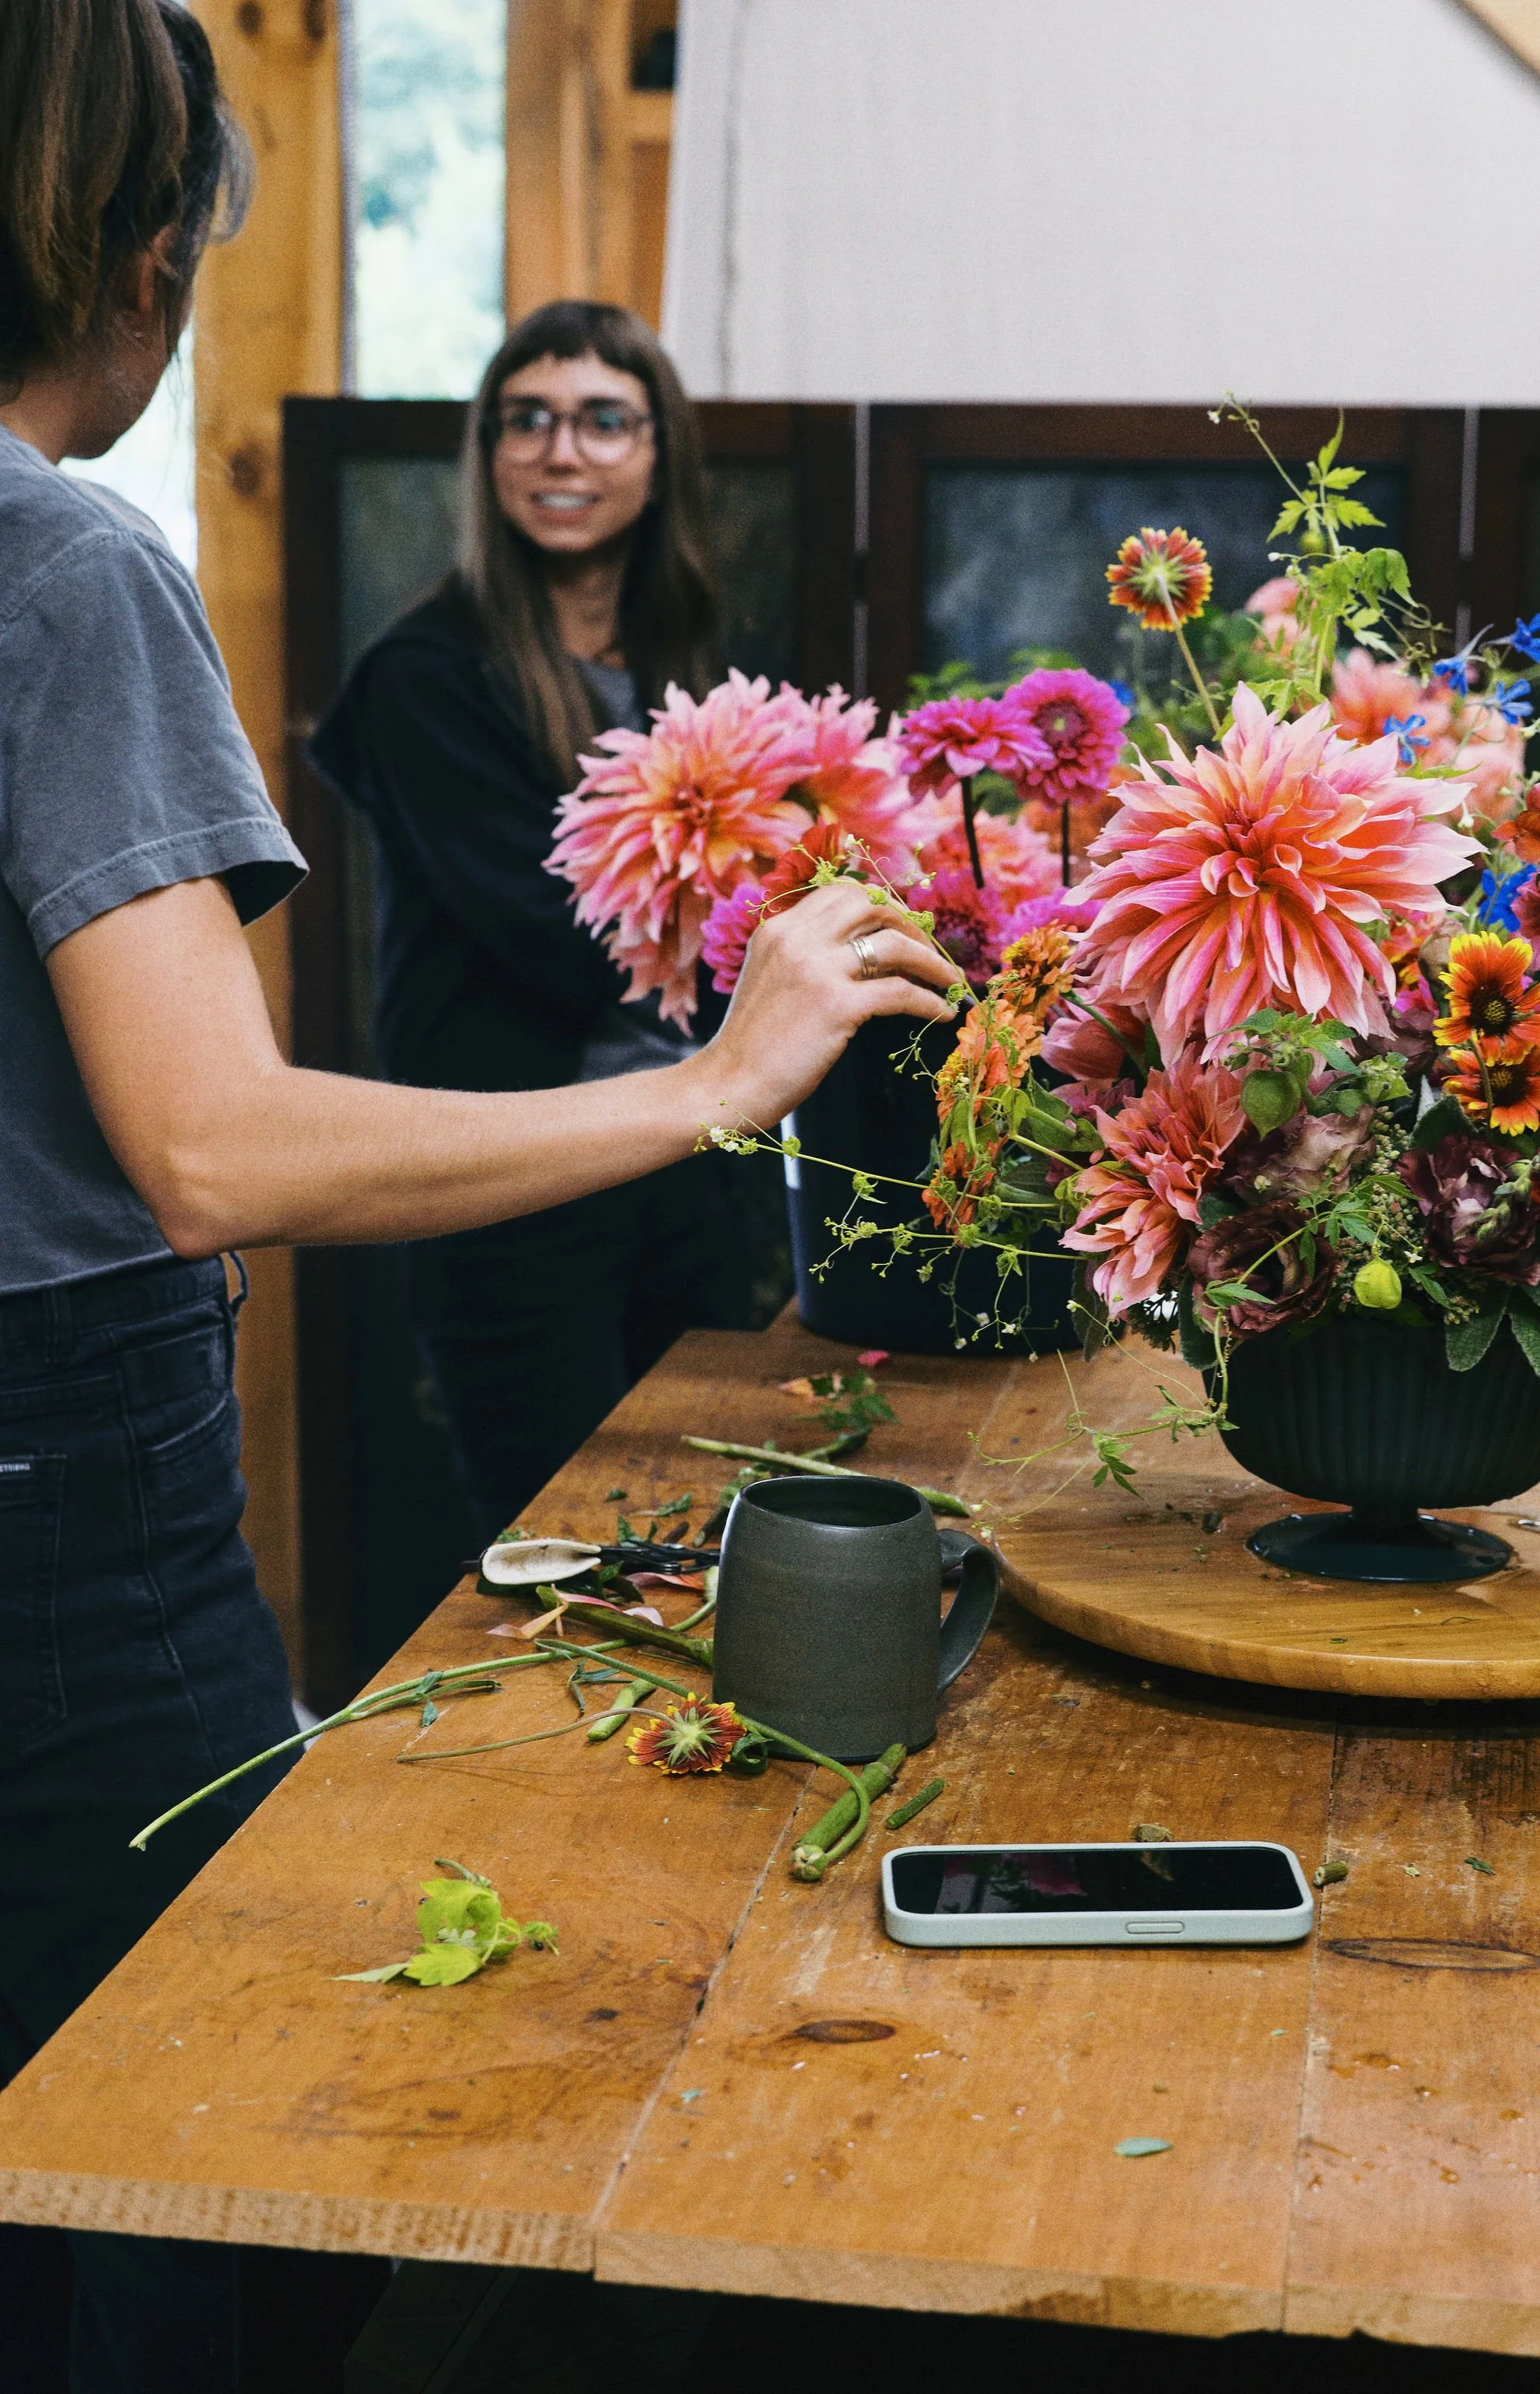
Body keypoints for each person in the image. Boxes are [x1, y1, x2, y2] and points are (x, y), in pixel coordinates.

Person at [0, 7, 956, 2388]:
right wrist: (725, 1076)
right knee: (215, 2146)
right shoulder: (68, 573)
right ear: (134, 254)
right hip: (59, 1493)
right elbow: (210, 1141)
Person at [311, 302, 758, 1550]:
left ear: (659, 450)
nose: (563, 451)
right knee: (565, 1560)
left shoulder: (691, 669)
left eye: (604, 419)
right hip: (514, 1186)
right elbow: (557, 931)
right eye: (529, 420)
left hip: (685, 1169)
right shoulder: (424, 680)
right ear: (490, 453)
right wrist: (754, 930)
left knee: (718, 1535)